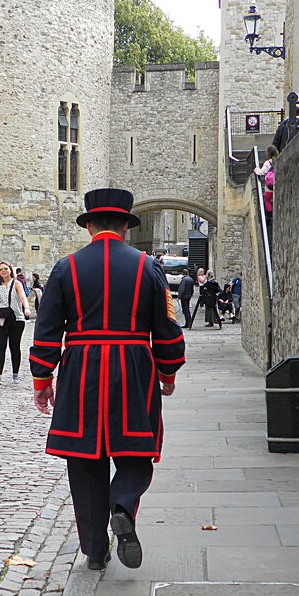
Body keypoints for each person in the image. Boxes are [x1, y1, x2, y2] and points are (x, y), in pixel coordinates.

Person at [30, 188, 185, 571]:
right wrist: (167, 372)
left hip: (81, 370)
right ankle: (123, 506)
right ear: (125, 227)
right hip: (134, 367)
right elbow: (167, 328)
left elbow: (46, 330)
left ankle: (95, 551)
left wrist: (41, 380)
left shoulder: (65, 267)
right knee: (136, 450)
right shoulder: (148, 267)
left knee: (84, 463)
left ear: (90, 226)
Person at [0, 262, 31, 385]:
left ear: (10, 270)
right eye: (1, 269)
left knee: (14, 346)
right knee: (0, 346)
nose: (3, 271)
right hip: (1, 318)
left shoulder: (16, 283)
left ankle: (15, 374)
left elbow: (22, 297)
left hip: (16, 318)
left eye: (5, 269)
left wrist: (26, 308)